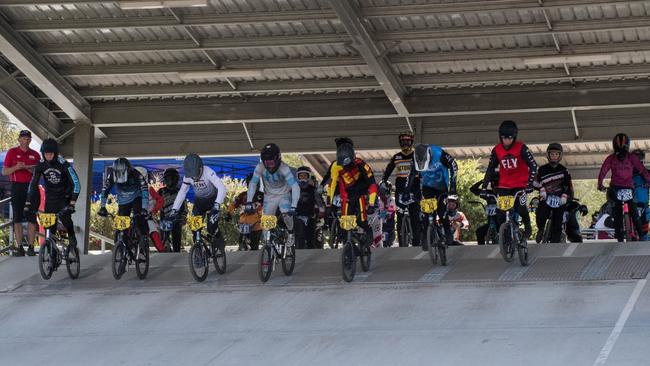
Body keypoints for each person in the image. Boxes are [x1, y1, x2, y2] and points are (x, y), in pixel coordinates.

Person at [482, 120, 538, 239]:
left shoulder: (521, 147)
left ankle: (527, 226)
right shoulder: (497, 150)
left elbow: (533, 165)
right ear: (500, 137)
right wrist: (484, 187)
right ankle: (506, 235)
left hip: (520, 184)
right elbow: (490, 169)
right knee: (500, 212)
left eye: (510, 138)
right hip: (504, 185)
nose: (507, 141)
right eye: (504, 138)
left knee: (520, 207)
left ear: (514, 137)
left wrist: (530, 183)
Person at [25, 139, 79, 249]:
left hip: (64, 197)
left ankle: (72, 235)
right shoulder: (40, 165)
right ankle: (51, 250)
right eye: (46, 154)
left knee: (65, 218)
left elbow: (77, 184)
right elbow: (33, 184)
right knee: (49, 226)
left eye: (50, 154)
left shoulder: (63, 164)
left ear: (55, 153)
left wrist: (72, 203)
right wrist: (28, 202)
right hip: (50, 198)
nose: (48, 156)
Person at [326, 137, 378, 248]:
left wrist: (372, 204)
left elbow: (372, 184)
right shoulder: (336, 166)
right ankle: (349, 248)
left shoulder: (361, 165)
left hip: (360, 194)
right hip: (347, 197)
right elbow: (332, 184)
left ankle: (368, 232)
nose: (344, 168)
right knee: (345, 225)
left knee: (361, 221)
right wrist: (329, 204)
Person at [598, 133, 650, 242]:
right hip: (624, 188)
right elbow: (642, 169)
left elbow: (603, 171)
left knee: (621, 212)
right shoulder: (628, 157)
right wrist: (600, 183)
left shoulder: (613, 158)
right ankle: (635, 236)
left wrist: (600, 184)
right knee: (630, 212)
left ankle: (624, 238)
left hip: (619, 187)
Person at [245, 143, 299, 248]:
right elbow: (253, 183)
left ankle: (291, 233)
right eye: (266, 162)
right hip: (270, 196)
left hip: (284, 194)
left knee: (286, 214)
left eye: (271, 161)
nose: (269, 164)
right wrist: (249, 201)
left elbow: (295, 186)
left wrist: (294, 205)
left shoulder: (284, 168)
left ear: (278, 158)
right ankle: (269, 247)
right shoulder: (260, 167)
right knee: (266, 223)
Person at [404, 143, 458, 247]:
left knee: (441, 211)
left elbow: (454, 166)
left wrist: (453, 185)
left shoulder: (439, 153)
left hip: (442, 185)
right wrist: (406, 191)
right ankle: (425, 235)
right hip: (427, 186)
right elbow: (410, 175)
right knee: (427, 211)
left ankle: (447, 231)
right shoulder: (414, 158)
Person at [170, 153, 227, 243]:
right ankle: (199, 250)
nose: (194, 177)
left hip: (213, 202)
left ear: (201, 167)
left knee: (211, 228)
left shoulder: (208, 171)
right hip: (199, 204)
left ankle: (219, 240)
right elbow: (182, 193)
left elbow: (221, 187)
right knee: (195, 229)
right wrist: (174, 210)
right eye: (191, 175)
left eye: (196, 173)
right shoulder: (187, 177)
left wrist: (217, 204)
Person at [2, 130, 40, 256]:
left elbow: (39, 172)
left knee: (32, 217)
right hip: (17, 187)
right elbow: (5, 172)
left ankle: (30, 247)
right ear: (19, 139)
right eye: (23, 138)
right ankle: (19, 248)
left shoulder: (35, 154)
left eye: (28, 139)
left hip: (31, 187)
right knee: (17, 217)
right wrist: (17, 167)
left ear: (30, 140)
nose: (26, 141)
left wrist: (28, 168)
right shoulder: (12, 152)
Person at [381, 130, 420, 247]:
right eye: (402, 141)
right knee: (400, 214)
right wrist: (383, 181)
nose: (405, 143)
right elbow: (388, 170)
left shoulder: (416, 155)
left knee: (415, 215)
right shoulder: (396, 157)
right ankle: (402, 242)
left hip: (415, 188)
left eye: (407, 141)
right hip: (400, 189)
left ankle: (416, 242)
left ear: (411, 141)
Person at [97, 158, 150, 243]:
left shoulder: (136, 174)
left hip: (136, 197)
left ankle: (144, 237)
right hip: (123, 201)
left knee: (139, 216)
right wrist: (102, 207)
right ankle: (122, 245)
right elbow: (105, 190)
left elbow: (144, 189)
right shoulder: (111, 176)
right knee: (121, 226)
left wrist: (144, 208)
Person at [534, 143, 574, 243]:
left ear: (560, 156)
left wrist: (565, 196)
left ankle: (555, 243)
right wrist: (541, 188)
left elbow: (569, 185)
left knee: (558, 221)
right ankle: (541, 229)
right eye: (552, 154)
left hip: (560, 198)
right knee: (540, 214)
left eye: (556, 154)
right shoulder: (542, 169)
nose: (554, 157)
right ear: (548, 155)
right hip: (545, 197)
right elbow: (534, 182)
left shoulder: (564, 170)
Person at [226, 173, 263, 251]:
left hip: (256, 225)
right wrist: (229, 213)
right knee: (241, 246)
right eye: (250, 184)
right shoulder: (242, 195)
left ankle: (255, 261)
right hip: (244, 224)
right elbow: (233, 204)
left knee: (254, 248)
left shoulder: (262, 196)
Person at [135, 166, 165, 252]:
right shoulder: (131, 187)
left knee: (153, 232)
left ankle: (162, 251)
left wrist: (154, 210)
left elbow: (160, 200)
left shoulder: (149, 189)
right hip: (135, 214)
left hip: (147, 216)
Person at [295, 166, 325, 249]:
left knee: (310, 238)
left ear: (309, 176)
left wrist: (321, 212)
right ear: (297, 177)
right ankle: (298, 255)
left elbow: (319, 202)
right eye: (301, 176)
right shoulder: (293, 189)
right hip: (297, 216)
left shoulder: (313, 190)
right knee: (299, 236)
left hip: (311, 216)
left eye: (305, 176)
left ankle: (310, 256)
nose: (303, 178)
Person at [158, 168, 185, 252]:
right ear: (166, 179)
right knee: (163, 242)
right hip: (164, 219)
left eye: (172, 178)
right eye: (169, 178)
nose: (171, 181)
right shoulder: (161, 191)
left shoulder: (180, 191)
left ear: (176, 179)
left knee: (176, 242)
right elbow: (154, 203)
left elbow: (184, 206)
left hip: (176, 219)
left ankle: (176, 255)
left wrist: (183, 216)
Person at [632, 149, 650, 240]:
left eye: (639, 160)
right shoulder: (627, 173)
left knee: (644, 231)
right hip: (630, 201)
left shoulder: (647, 172)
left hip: (643, 203)